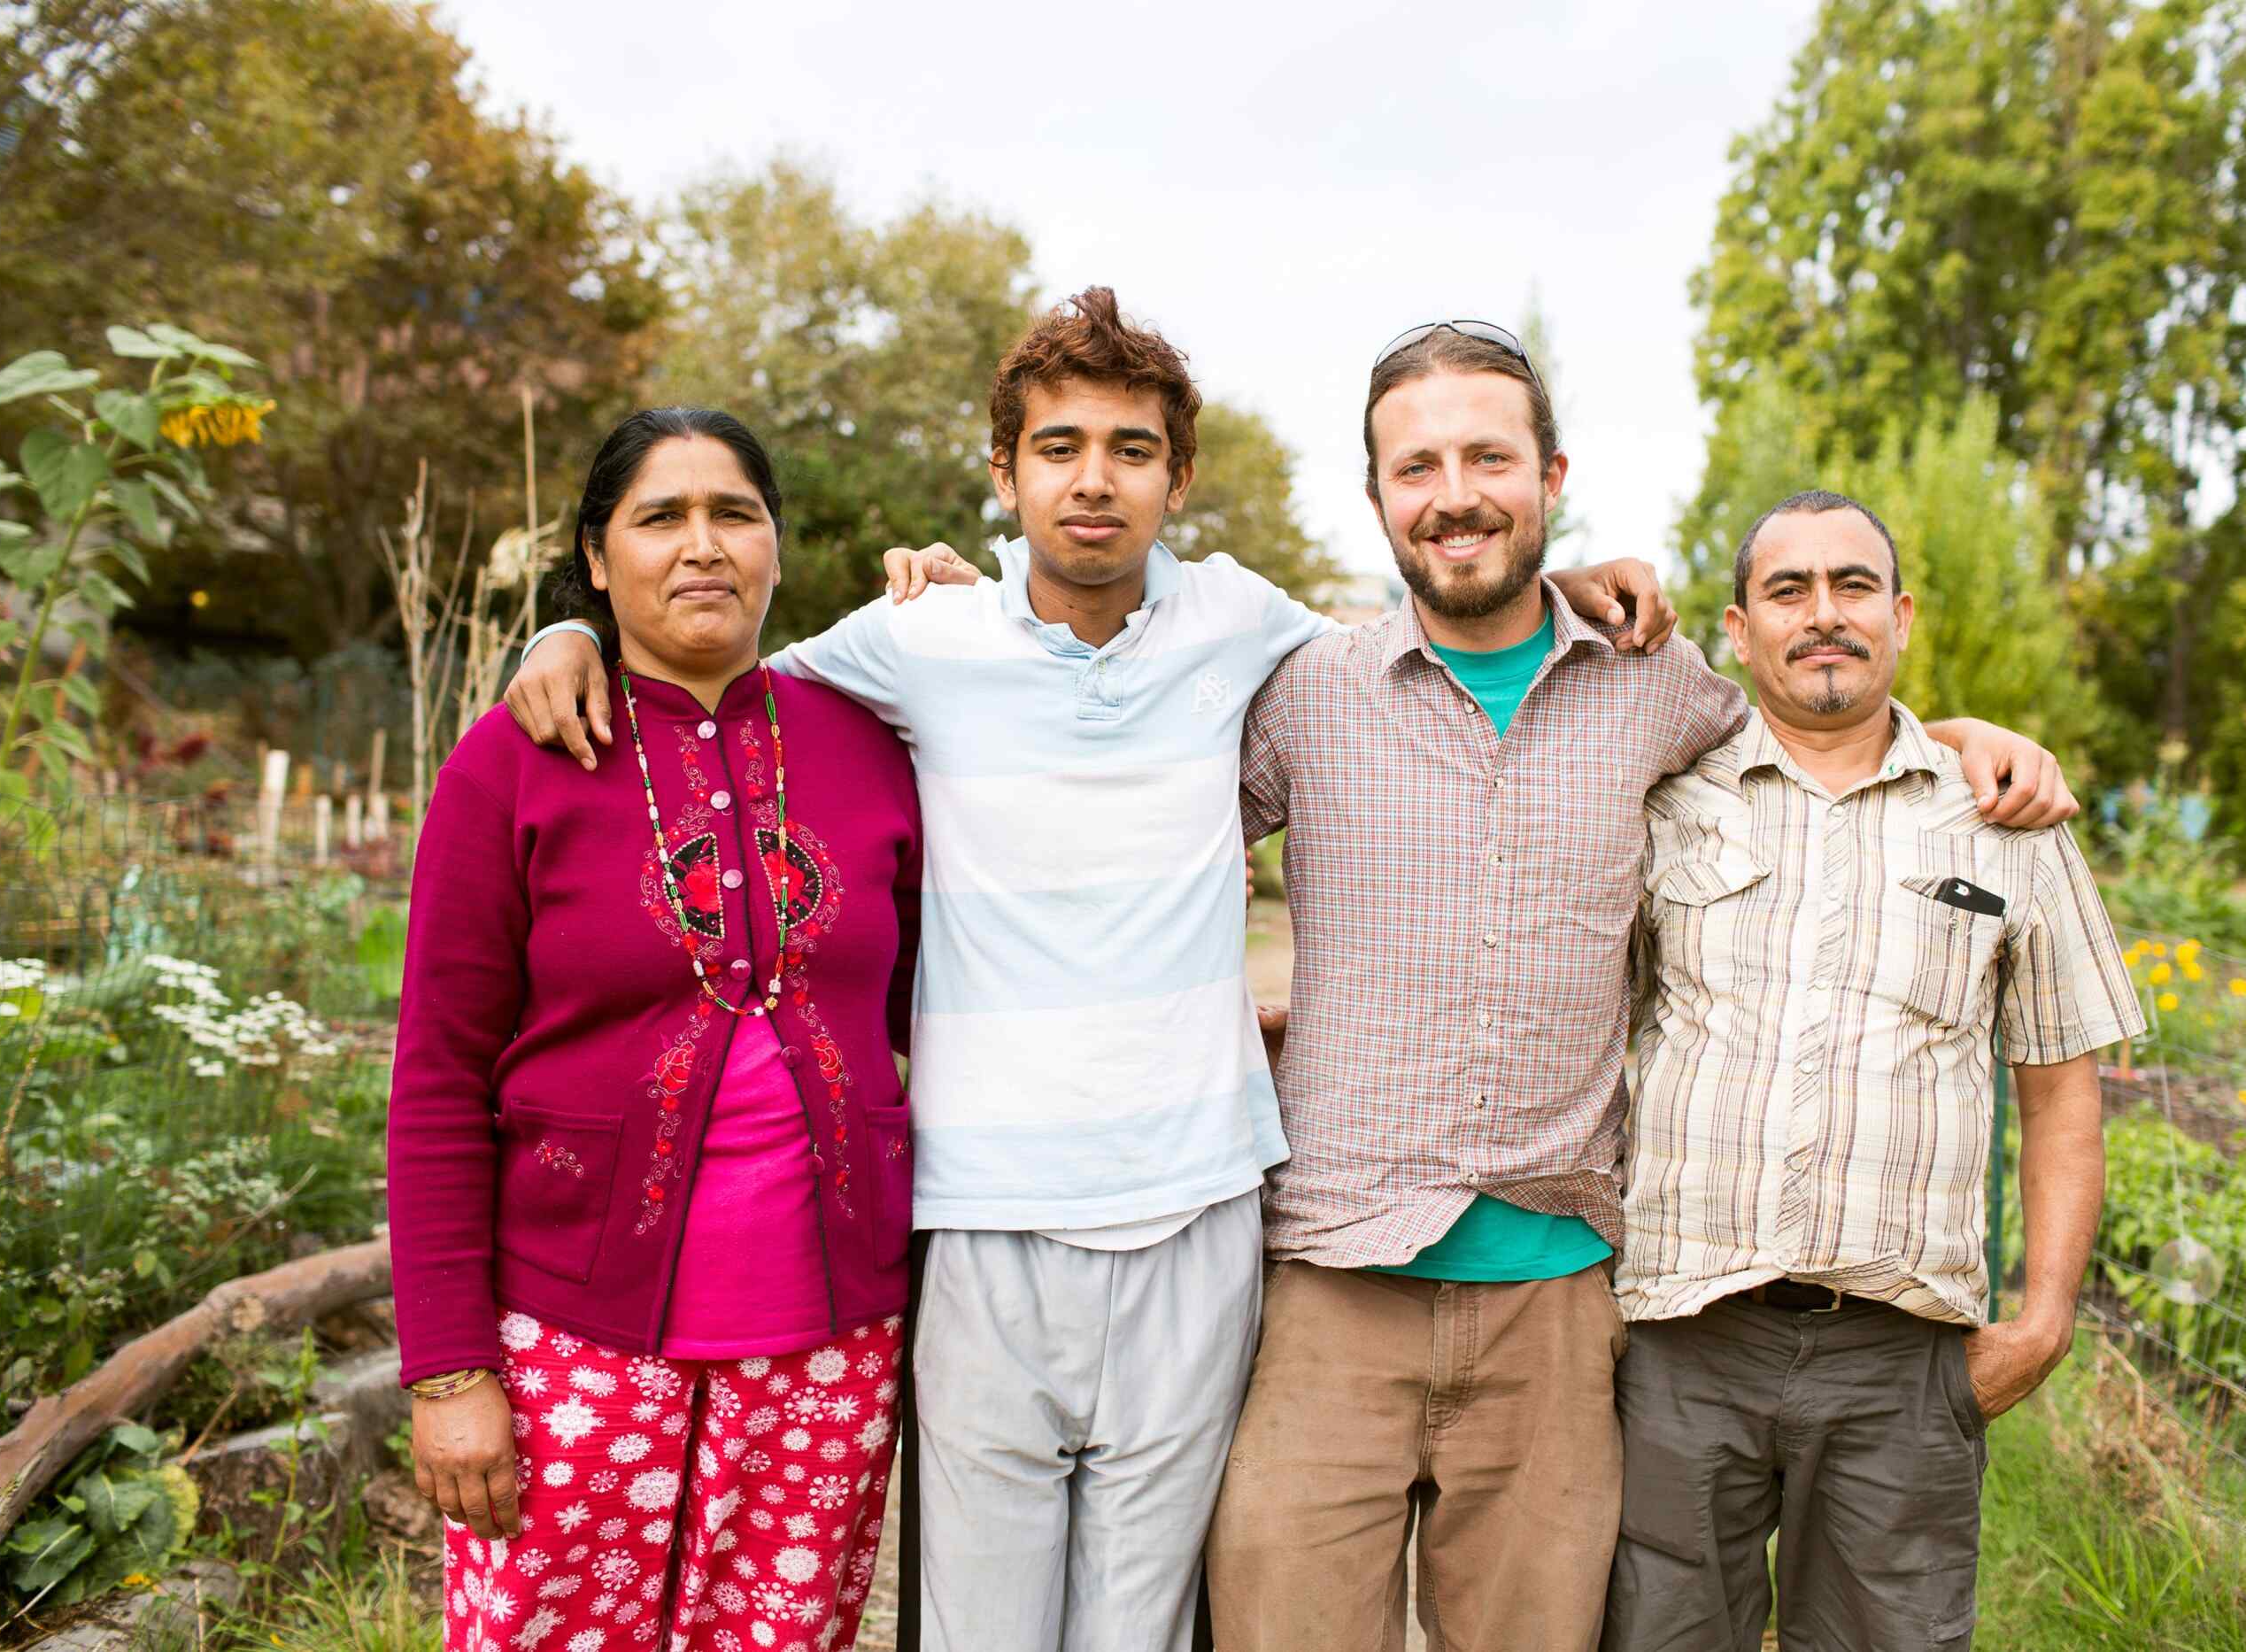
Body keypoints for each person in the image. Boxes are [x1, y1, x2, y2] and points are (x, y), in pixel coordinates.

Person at [504, 293, 1674, 1652]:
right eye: (1057, 446)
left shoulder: (1243, 622)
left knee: (1144, 1624)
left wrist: (1573, 589)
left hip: (1196, 1209)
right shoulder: (917, 640)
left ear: (1178, 476)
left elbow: (1432, 627)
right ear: (1002, 474)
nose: (1094, 478)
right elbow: (714, 674)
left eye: (1131, 447)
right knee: (982, 1626)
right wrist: (568, 632)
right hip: (985, 1213)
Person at [1201, 329, 2080, 1652]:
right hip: (1334, 1280)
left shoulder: (1661, 690)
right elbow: (1141, 840)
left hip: (1560, 1313)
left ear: (1550, 474)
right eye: (1418, 464)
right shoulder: (1305, 698)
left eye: (1489, 456)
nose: (1456, 492)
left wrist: (1969, 740)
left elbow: (1827, 729)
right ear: (1377, 495)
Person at [390, 408, 922, 1650]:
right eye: (660, 517)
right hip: (570, 1341)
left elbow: (950, 1002)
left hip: (830, 1346)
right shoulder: (513, 759)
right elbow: (435, 1080)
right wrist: (450, 1368)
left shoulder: (868, 741)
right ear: (597, 553)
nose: (703, 546)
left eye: (734, 513)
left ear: (778, 548)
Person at [1606, 490, 2142, 1652]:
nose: (1824, 615)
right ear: (1739, 631)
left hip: (1902, 1360)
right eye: (1787, 591)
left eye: (1853, 586)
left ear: (1899, 616)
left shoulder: (2007, 819)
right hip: (1681, 1338)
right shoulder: (1661, 800)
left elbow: (2061, 1089)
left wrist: (2045, 1318)